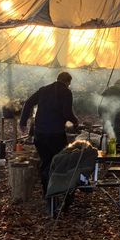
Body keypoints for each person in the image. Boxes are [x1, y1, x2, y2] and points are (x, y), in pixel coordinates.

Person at [19, 72, 79, 200]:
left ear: (57, 79)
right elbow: (67, 112)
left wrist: (23, 122)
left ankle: (47, 192)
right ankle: (60, 192)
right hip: (56, 134)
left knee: (46, 162)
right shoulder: (66, 92)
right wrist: (75, 121)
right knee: (59, 161)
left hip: (40, 134)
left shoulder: (43, 90)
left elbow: (28, 103)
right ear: (68, 82)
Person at [98, 79, 120, 148]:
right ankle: (118, 150)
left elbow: (100, 103)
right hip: (118, 117)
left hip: (107, 116)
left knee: (105, 134)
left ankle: (103, 149)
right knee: (117, 134)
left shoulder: (107, 91)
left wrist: (100, 113)